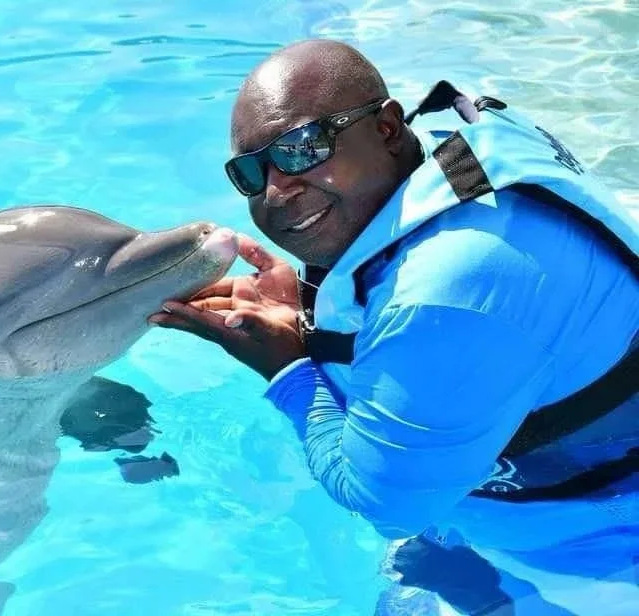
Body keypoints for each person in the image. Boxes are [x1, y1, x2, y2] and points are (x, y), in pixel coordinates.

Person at [148, 39, 639, 613]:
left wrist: (289, 368)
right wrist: (309, 309)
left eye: (303, 147)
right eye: (252, 172)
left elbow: (383, 505)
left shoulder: (448, 293)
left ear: (385, 127)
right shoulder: (446, 161)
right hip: (515, 504)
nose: (276, 189)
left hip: (599, 552)